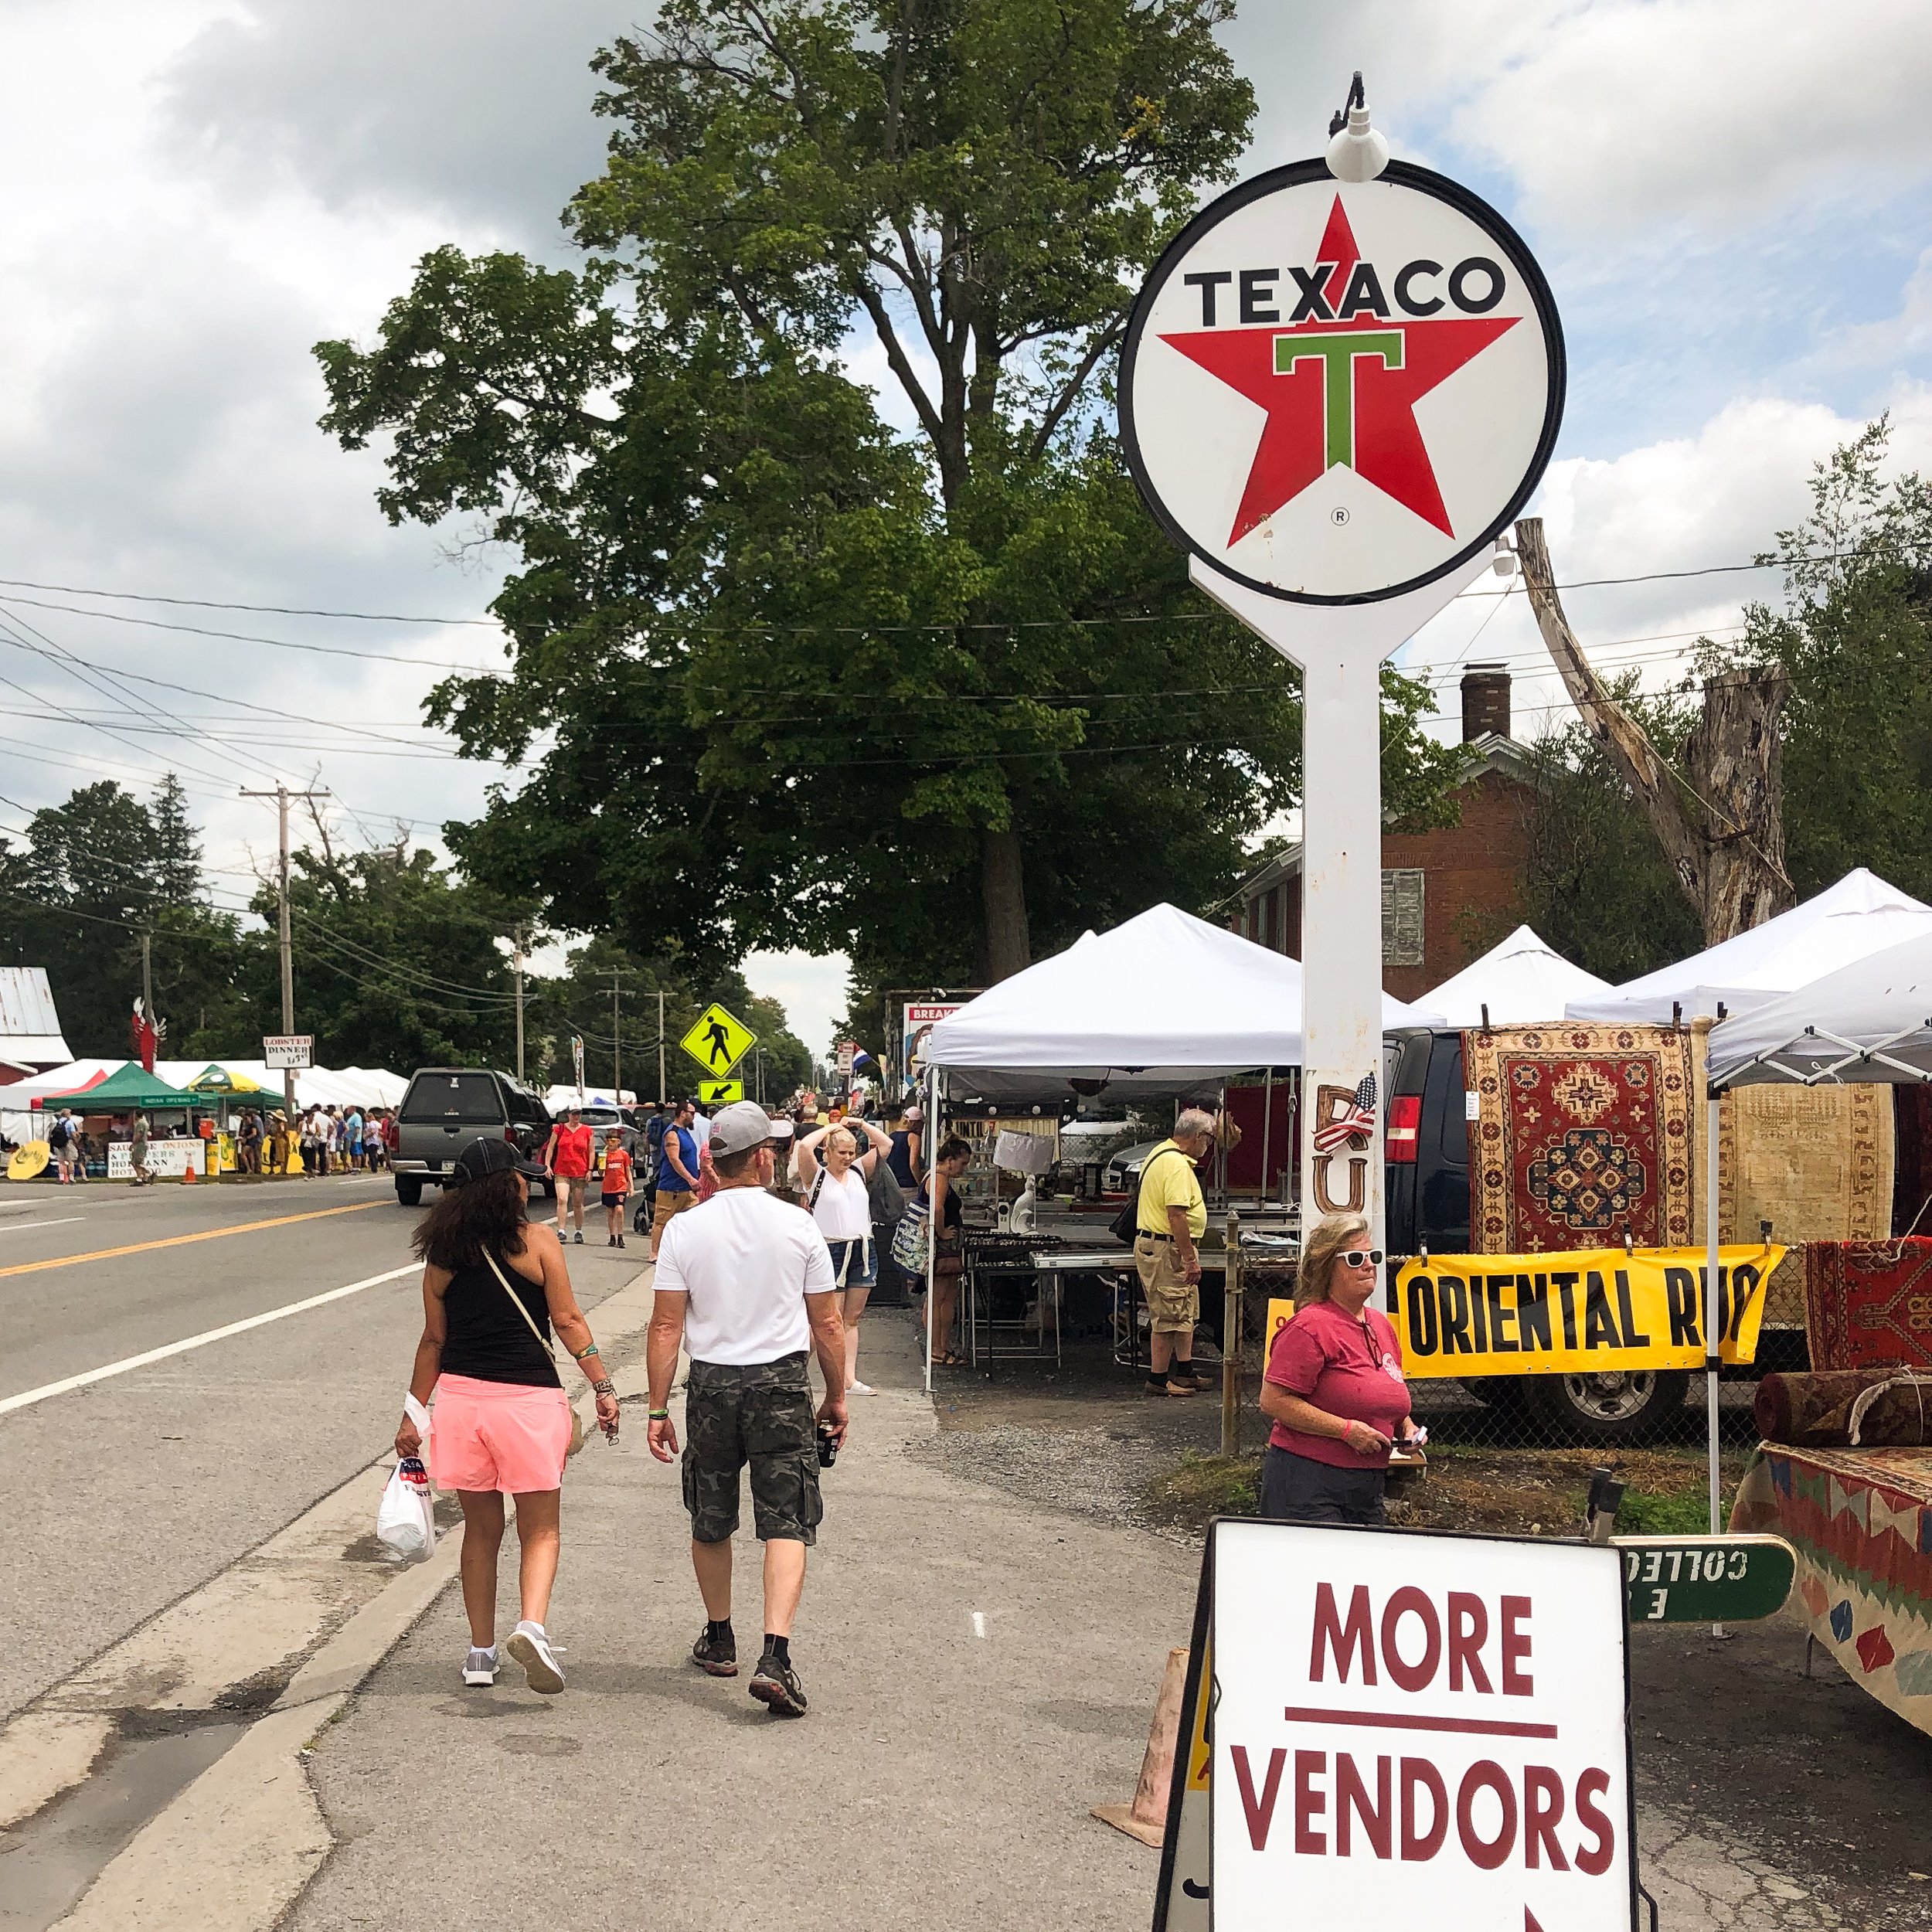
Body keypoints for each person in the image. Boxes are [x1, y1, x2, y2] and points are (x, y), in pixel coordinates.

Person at [394, 1136, 620, 1694]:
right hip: (527, 1405)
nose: (527, 1182)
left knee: (480, 1530)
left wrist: (412, 1414)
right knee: (540, 1528)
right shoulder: (538, 1240)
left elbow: (433, 1341)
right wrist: (603, 1386)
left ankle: (478, 1653)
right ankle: (532, 1628)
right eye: (519, 1175)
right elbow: (566, 1321)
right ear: (505, 1185)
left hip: (463, 1406)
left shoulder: (443, 1255)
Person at [645, 1101, 846, 1716]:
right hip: (781, 1385)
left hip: (711, 1386)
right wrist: (837, 1396)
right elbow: (829, 1323)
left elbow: (663, 1327)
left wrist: (657, 1409)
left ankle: (721, 1635)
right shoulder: (797, 1225)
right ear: (762, 1157)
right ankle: (776, 1654)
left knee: (711, 1513)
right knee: (786, 1518)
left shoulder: (685, 1229)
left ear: (714, 1161)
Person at [1258, 1210, 1421, 1526]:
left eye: (1373, 1255)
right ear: (1327, 1266)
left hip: (1367, 1486)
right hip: (1308, 1484)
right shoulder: (1309, 1326)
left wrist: (1406, 1427)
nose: (1369, 1265)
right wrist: (1346, 1431)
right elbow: (1273, 1400)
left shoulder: (1381, 1325)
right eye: (1355, 1258)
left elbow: (1385, 1395)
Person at [794, 1116, 893, 1396]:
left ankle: (848, 1379)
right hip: (831, 1248)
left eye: (852, 1152)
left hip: (863, 1247)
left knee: (852, 1318)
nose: (848, 1158)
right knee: (828, 1320)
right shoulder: (817, 1175)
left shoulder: (859, 1172)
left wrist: (859, 1125)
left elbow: (886, 1145)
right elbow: (804, 1147)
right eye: (842, 1153)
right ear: (828, 1151)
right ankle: (798, 1370)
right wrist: (832, 1128)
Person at [1131, 1108, 1218, 1398]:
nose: (1208, 1147)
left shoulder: (1160, 1153)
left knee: (1183, 1311)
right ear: (1197, 1136)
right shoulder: (1177, 1165)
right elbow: (1176, 1215)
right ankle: (1158, 1379)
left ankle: (1185, 1370)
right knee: (1169, 1314)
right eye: (1208, 1139)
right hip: (1168, 1247)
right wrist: (1190, 1258)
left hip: (1167, 1245)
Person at [917, 1136, 971, 1368]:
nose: (963, 1169)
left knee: (946, 1297)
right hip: (942, 1245)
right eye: (962, 1163)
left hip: (946, 1244)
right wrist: (941, 1233)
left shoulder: (934, 1176)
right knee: (938, 1298)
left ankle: (942, 1345)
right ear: (950, 1160)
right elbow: (937, 1208)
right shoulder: (939, 1179)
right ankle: (936, 1349)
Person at [651, 1100, 700, 1258]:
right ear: (683, 1113)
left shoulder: (685, 1132)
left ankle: (684, 1253)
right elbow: (674, 1160)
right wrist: (691, 1179)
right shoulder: (672, 1133)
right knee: (661, 1222)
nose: (694, 1116)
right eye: (691, 1113)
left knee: (693, 1221)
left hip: (688, 1190)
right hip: (670, 1188)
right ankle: (654, 1253)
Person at [543, 1104, 594, 1245]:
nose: (576, 1117)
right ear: (568, 1114)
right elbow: (551, 1148)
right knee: (562, 1199)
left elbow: (591, 1151)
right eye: (573, 1114)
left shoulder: (587, 1131)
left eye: (578, 1114)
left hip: (580, 1170)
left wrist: (590, 1169)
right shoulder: (559, 1129)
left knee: (578, 1203)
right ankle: (561, 1231)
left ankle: (578, 1230)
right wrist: (547, 1165)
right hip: (562, 1170)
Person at [600, 1130, 634, 1248]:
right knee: (610, 1212)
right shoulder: (605, 1154)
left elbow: (628, 1171)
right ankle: (612, 1236)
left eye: (613, 1141)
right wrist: (601, 1164)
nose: (610, 1143)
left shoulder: (623, 1154)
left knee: (619, 1210)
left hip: (621, 1186)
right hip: (608, 1187)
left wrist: (631, 1186)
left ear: (618, 1142)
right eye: (608, 1140)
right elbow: (600, 1173)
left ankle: (620, 1236)